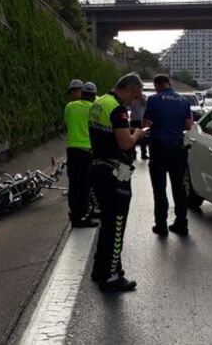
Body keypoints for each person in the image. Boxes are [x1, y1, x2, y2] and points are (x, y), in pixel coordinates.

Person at [88, 72, 148, 293]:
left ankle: (99, 270)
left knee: (107, 223)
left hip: (97, 167)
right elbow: (124, 144)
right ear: (131, 88)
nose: (136, 99)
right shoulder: (118, 109)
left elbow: (107, 136)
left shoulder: (99, 103)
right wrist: (137, 134)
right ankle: (112, 276)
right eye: (137, 94)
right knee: (116, 226)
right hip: (114, 174)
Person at [142, 74, 194, 236]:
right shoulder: (183, 101)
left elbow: (145, 124)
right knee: (178, 187)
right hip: (177, 149)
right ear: (169, 83)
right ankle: (181, 223)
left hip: (158, 148)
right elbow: (188, 125)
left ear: (158, 85)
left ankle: (161, 225)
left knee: (159, 188)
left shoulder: (154, 100)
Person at [63, 82, 98, 228]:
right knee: (85, 185)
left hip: (72, 150)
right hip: (87, 150)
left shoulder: (69, 107)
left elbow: (66, 123)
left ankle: (75, 213)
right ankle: (83, 217)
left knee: (74, 184)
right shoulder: (94, 108)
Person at [129, 92, 148, 160]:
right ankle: (133, 154)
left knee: (143, 138)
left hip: (141, 119)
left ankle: (144, 154)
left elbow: (145, 103)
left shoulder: (143, 96)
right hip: (133, 119)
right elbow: (130, 105)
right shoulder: (132, 97)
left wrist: (140, 96)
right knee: (133, 137)